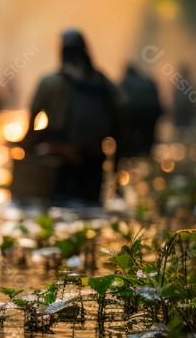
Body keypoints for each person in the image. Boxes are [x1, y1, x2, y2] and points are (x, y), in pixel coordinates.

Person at [18, 28, 125, 205]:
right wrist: (115, 169)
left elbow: (31, 125)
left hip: (59, 161)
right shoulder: (104, 83)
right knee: (89, 210)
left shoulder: (50, 82)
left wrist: (25, 149)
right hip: (94, 162)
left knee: (58, 210)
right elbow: (120, 122)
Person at [118, 62, 163, 159]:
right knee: (148, 141)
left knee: (131, 142)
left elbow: (120, 104)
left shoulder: (125, 82)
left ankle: (133, 158)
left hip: (133, 114)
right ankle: (148, 159)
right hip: (152, 113)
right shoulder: (148, 81)